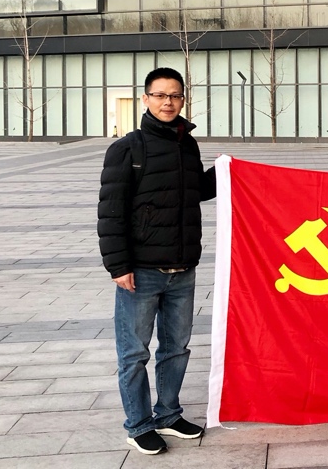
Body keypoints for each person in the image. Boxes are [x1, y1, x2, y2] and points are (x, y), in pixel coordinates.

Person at [98, 67, 216, 454]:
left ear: (183, 99)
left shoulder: (187, 145)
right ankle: (138, 424)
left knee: (176, 348)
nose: (168, 102)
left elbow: (195, 190)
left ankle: (168, 414)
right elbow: (111, 212)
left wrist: (227, 172)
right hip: (141, 272)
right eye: (161, 95)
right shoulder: (127, 149)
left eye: (175, 95)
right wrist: (118, 267)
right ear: (146, 98)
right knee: (134, 353)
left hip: (183, 270)